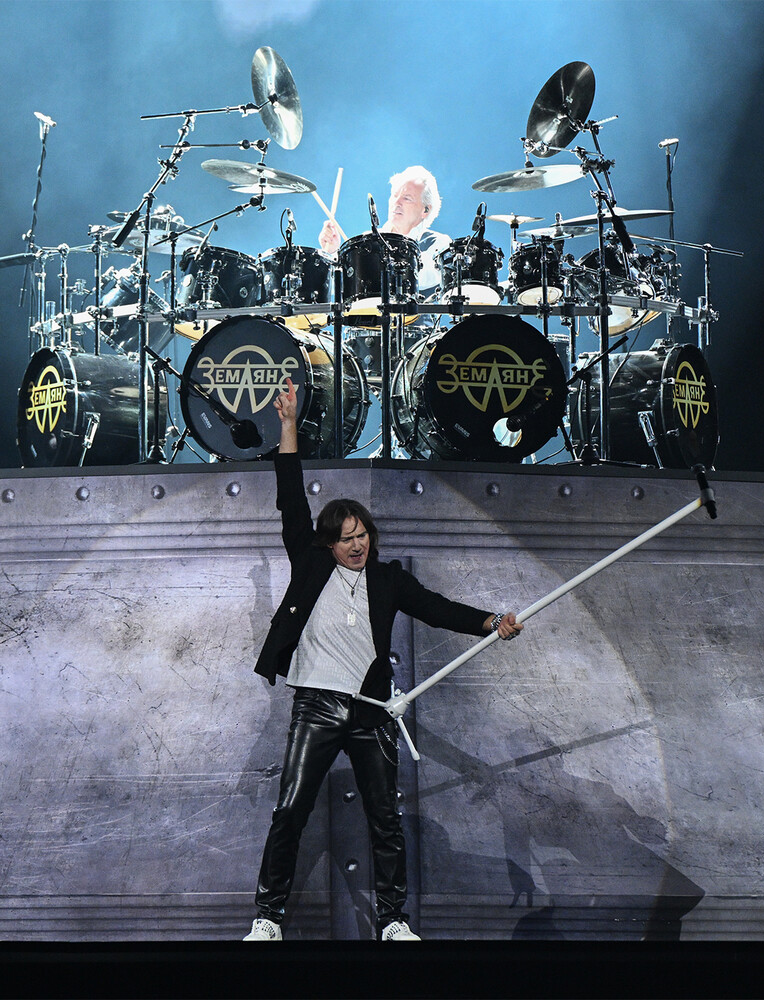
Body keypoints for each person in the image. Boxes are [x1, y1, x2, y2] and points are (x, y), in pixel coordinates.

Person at [244, 379, 523, 942]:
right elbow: (291, 495)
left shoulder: (389, 580)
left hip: (372, 712)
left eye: (363, 534)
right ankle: (267, 919)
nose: (357, 544)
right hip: (318, 706)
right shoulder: (311, 565)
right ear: (328, 543)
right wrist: (289, 426)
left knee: (385, 820)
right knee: (290, 811)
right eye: (346, 538)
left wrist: (492, 622)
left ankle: (394, 922)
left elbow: (439, 609)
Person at [319, 165, 450, 300]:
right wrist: (331, 254)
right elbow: (340, 287)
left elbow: (424, 276)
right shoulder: (368, 242)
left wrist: (374, 263)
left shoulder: (438, 244)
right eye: (394, 195)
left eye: (407, 198)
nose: (396, 202)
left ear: (426, 210)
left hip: (415, 314)